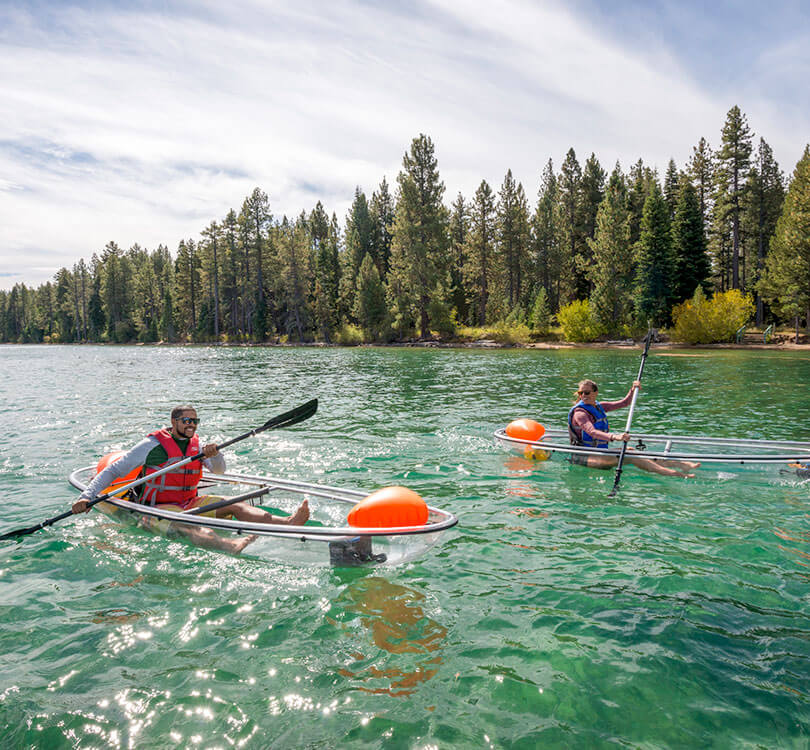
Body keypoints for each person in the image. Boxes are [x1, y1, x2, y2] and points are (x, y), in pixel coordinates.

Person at [72, 405, 310, 553]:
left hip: (190, 501)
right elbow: (113, 471)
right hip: (157, 508)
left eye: (195, 421)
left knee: (237, 505)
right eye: (187, 421)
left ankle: (288, 523)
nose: (192, 425)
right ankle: (232, 546)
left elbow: (219, 472)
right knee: (196, 530)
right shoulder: (152, 445)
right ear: (174, 422)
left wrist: (215, 455)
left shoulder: (197, 445)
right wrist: (86, 497)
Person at [568, 379, 699, 478]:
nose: (583, 395)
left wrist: (633, 390)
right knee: (630, 454)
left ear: (596, 393)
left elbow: (625, 403)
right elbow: (592, 432)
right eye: (581, 393)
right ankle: (675, 474)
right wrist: (615, 437)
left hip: (600, 453)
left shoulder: (599, 406)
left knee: (630, 449)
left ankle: (681, 465)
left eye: (587, 392)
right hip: (585, 457)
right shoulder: (580, 413)